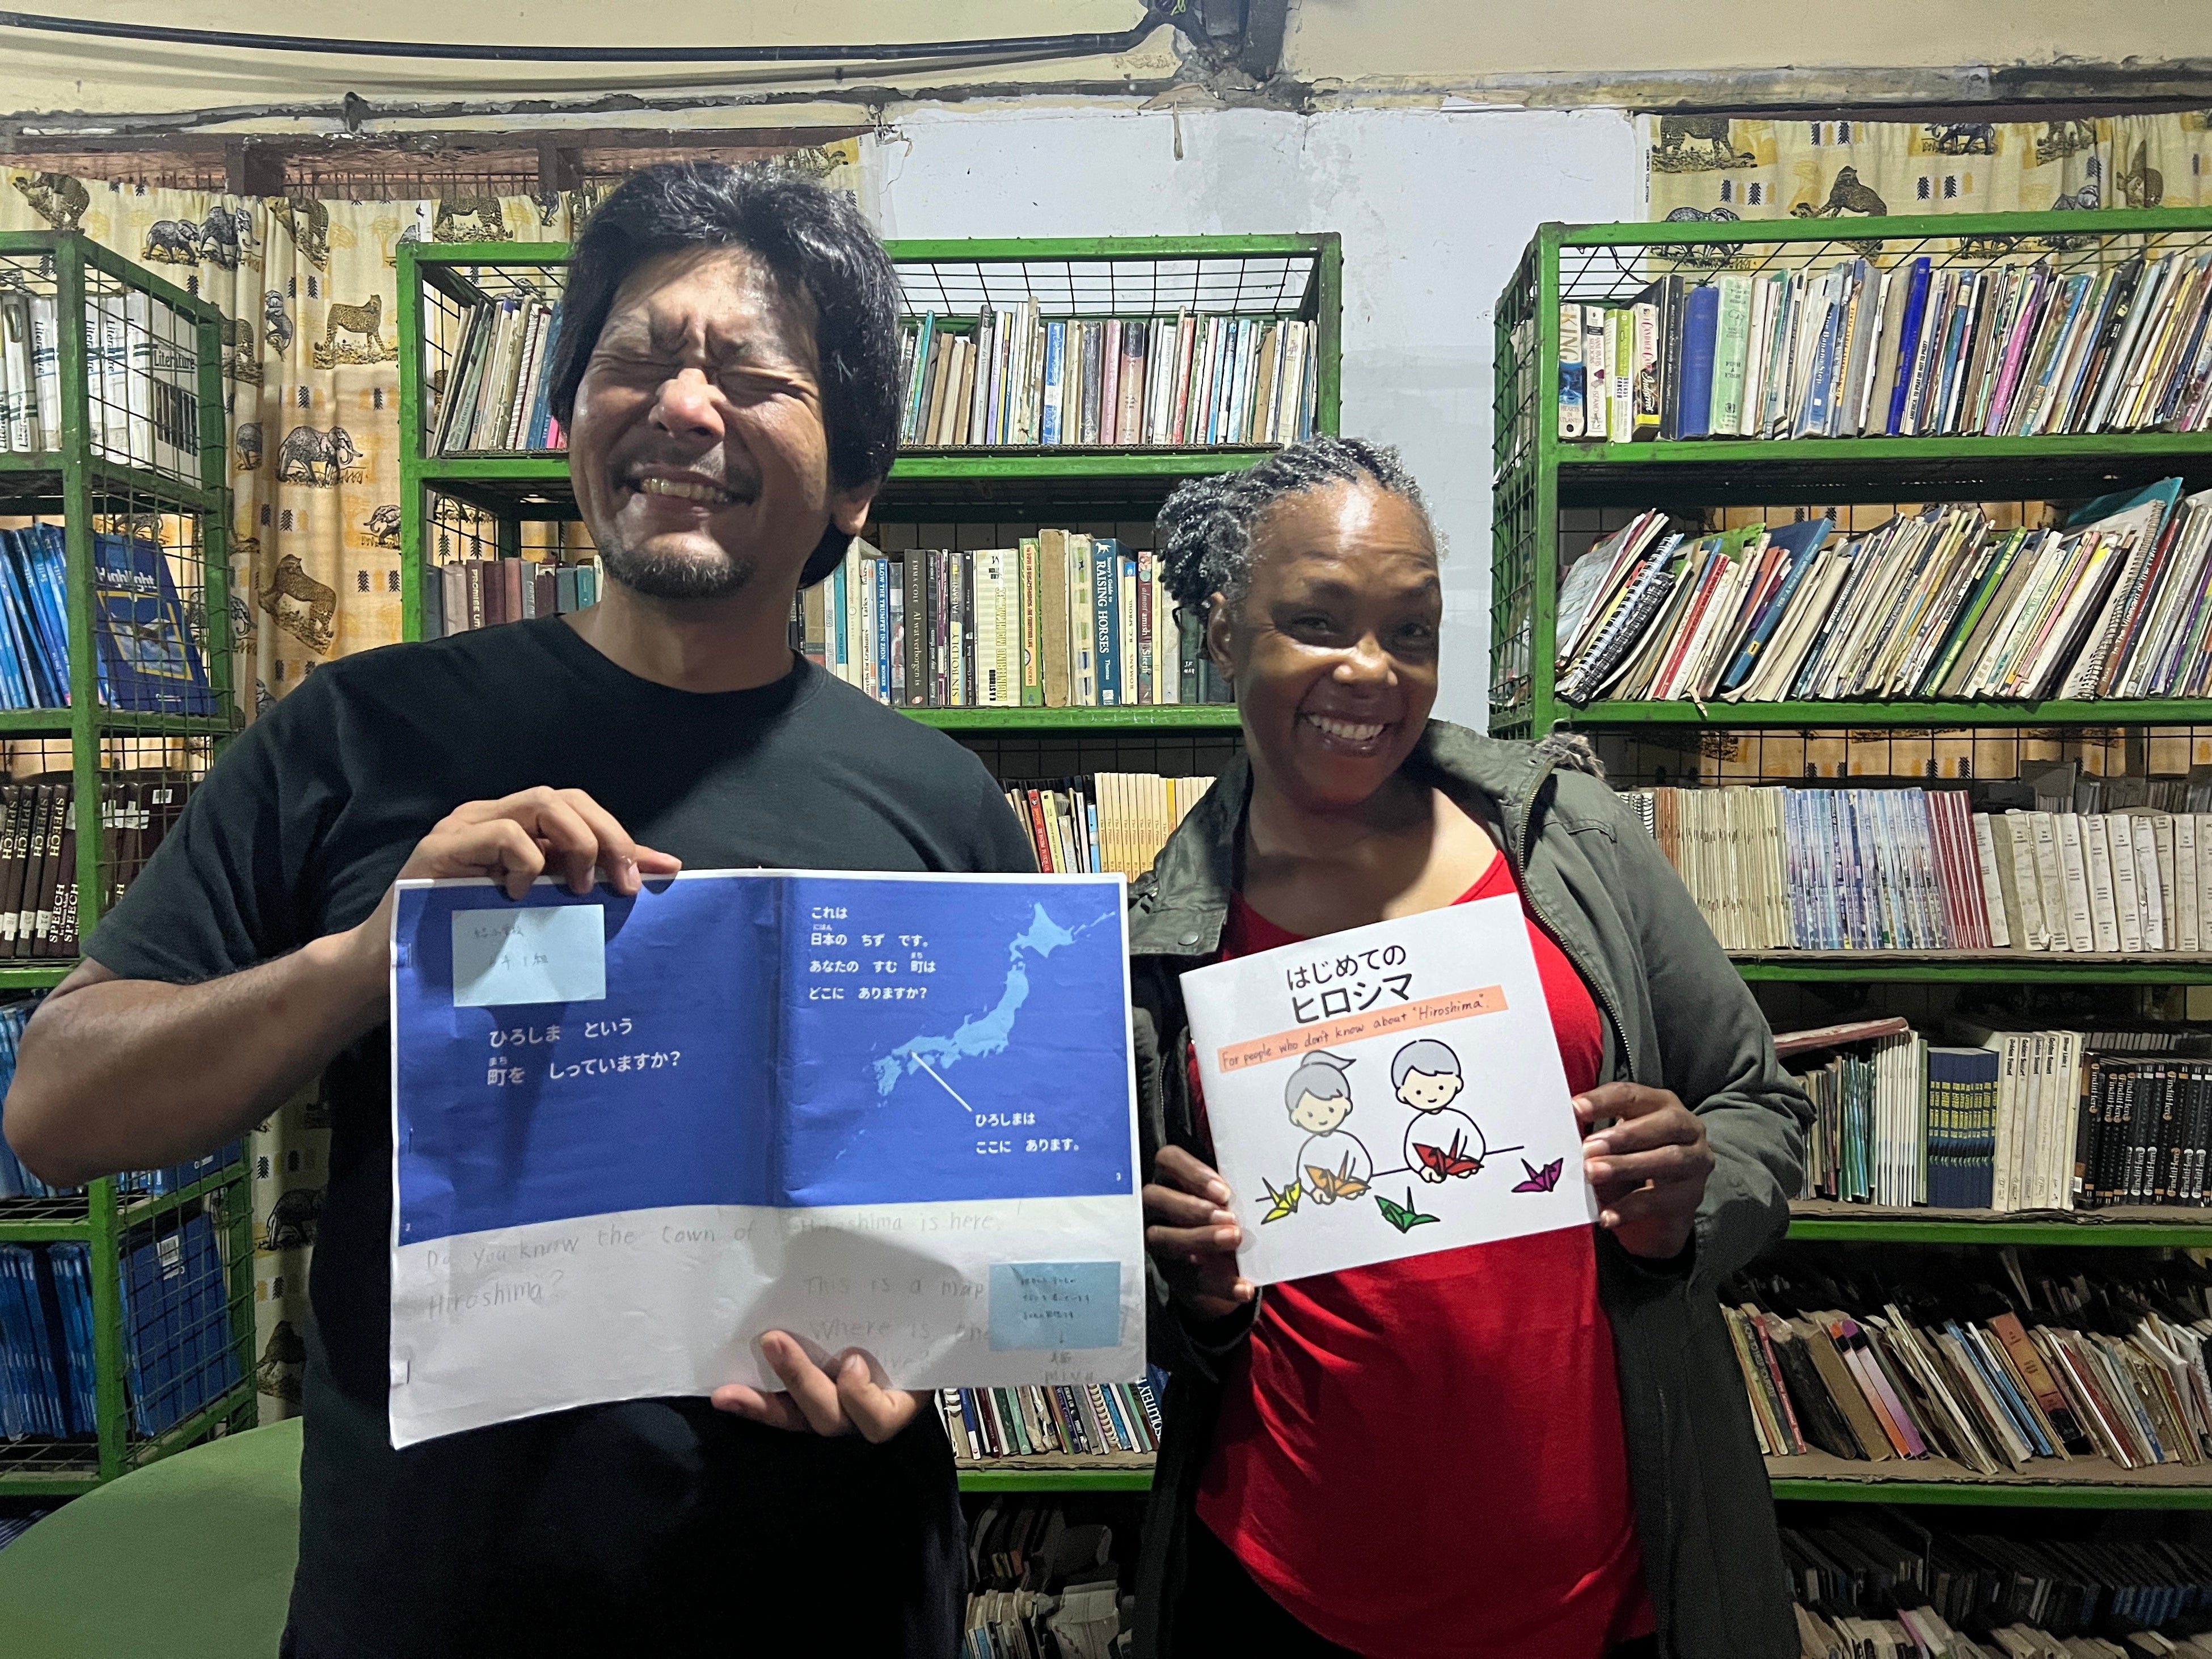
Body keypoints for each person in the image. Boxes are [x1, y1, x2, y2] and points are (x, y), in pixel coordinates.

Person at [3, 162, 1034, 1659]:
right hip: (439, 1602)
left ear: (856, 483)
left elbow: (990, 1212)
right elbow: (55, 1107)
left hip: (834, 1595)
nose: (685, 404)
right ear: (567, 419)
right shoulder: (358, 736)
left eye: (753, 375)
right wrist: (368, 958)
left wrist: (926, 1351)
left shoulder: (942, 806)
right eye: (637, 359)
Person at [1128, 437, 1808, 1659]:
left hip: (1603, 1576)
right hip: (1286, 1583)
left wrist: (1685, 1205)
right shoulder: (1162, 938)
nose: (1372, 670)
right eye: (1318, 621)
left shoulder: (1566, 837)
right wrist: (1191, 1291)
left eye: (1412, 630)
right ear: (1224, 631)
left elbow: (1757, 1099)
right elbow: (1132, 1280)